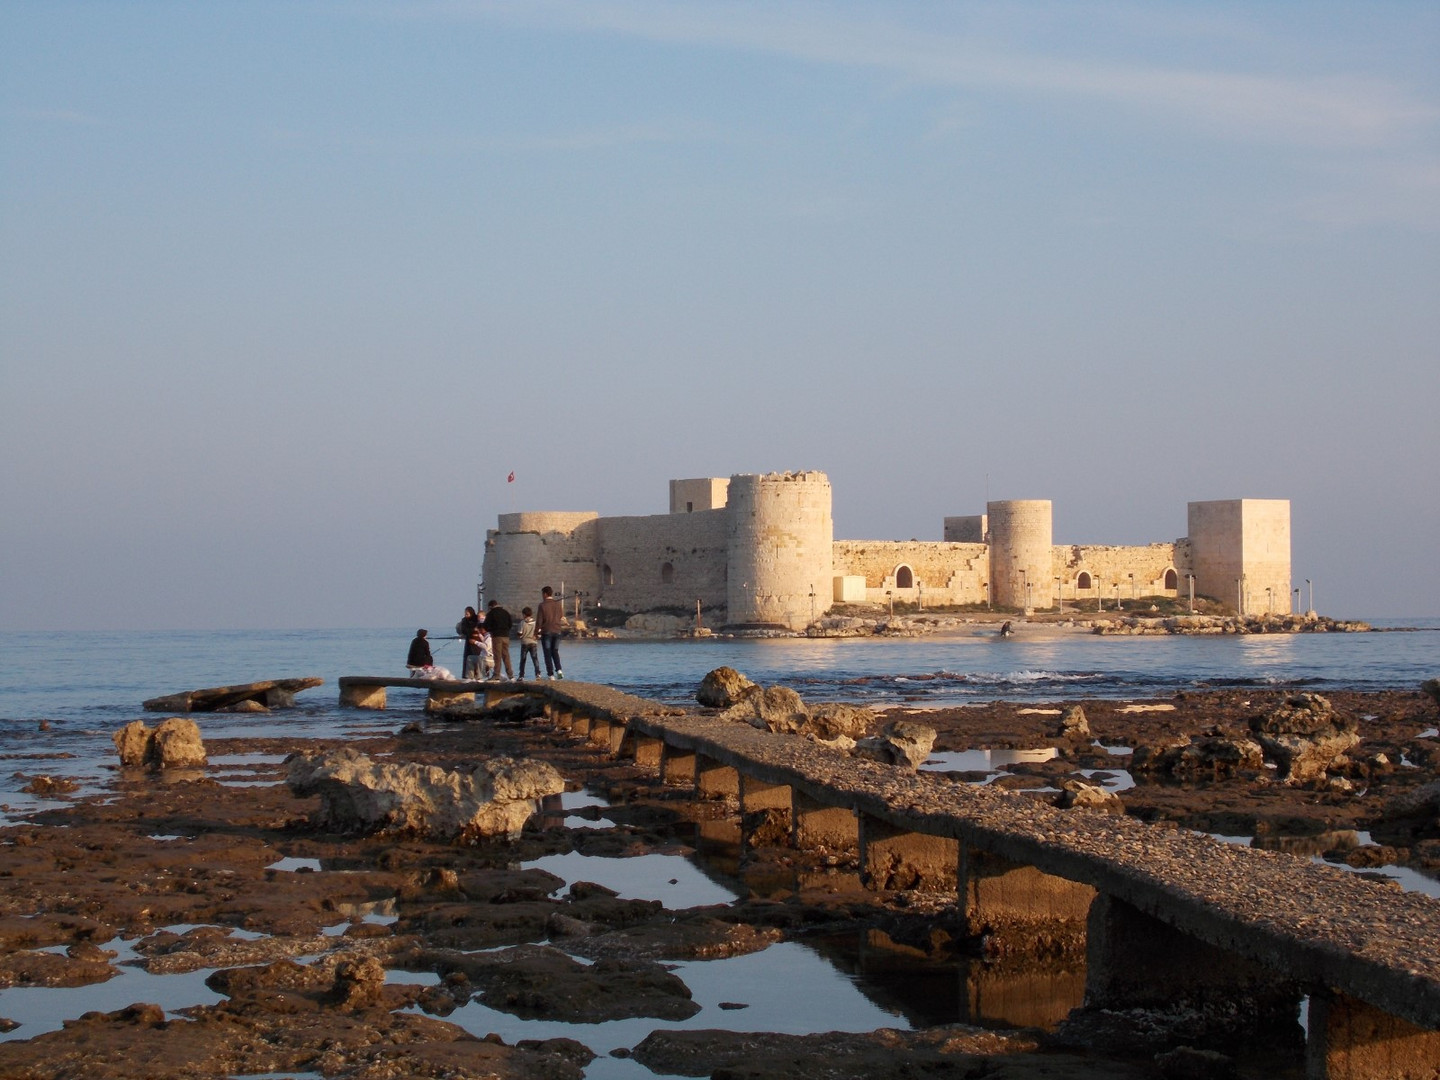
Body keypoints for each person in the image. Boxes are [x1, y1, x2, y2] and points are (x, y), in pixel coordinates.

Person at [536, 585, 565, 679]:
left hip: (547, 631)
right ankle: (559, 670)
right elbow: (561, 616)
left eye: (542, 594)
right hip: (557, 631)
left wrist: (536, 632)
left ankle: (551, 674)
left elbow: (539, 621)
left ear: (545, 594)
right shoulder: (558, 604)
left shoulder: (542, 605)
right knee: (555, 651)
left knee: (547, 653)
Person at [485, 600, 514, 680]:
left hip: (497, 637)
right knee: (506, 656)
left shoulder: (491, 614)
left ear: (490, 606)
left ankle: (496, 675)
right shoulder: (505, 612)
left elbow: (486, 626)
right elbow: (510, 624)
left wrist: (491, 630)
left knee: (497, 656)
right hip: (506, 636)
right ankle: (510, 675)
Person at [517, 606, 540, 680]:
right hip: (533, 642)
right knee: (535, 659)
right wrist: (536, 637)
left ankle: (521, 675)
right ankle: (538, 674)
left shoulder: (522, 623)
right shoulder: (536, 623)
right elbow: (539, 633)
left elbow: (520, 633)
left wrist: (520, 636)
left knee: (523, 660)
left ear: (524, 614)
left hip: (524, 643)